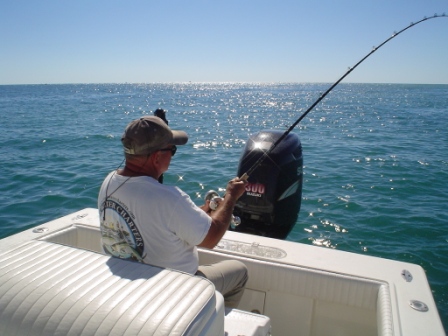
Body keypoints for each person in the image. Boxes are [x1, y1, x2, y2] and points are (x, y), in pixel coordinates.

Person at [98, 116, 248, 308]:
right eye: (172, 150)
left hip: (129, 287)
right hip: (174, 292)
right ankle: (210, 323)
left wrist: (207, 210)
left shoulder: (109, 182)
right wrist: (231, 197)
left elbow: (162, 220)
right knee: (240, 271)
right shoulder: (169, 198)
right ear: (157, 156)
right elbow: (211, 239)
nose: (172, 155)